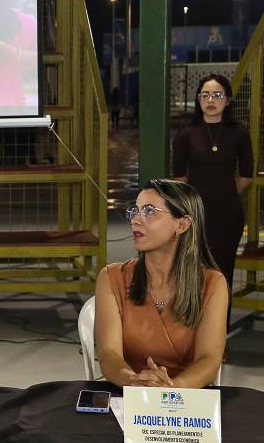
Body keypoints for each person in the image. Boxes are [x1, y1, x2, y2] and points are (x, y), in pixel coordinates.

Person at [95, 179, 228, 389]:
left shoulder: (213, 284)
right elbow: (108, 355)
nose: (135, 220)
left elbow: (209, 360)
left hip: (187, 396)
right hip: (129, 393)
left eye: (149, 211)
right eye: (135, 211)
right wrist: (134, 382)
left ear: (182, 224)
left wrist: (168, 391)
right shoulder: (111, 278)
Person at [172, 73, 253, 326]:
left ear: (227, 100)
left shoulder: (239, 133)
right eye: (205, 95)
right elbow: (179, 176)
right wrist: (195, 202)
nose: (211, 100)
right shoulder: (186, 133)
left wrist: (224, 194)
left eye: (217, 95)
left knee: (222, 273)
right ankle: (191, 330)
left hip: (227, 215)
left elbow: (247, 175)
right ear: (198, 100)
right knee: (192, 272)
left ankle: (218, 334)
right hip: (194, 215)